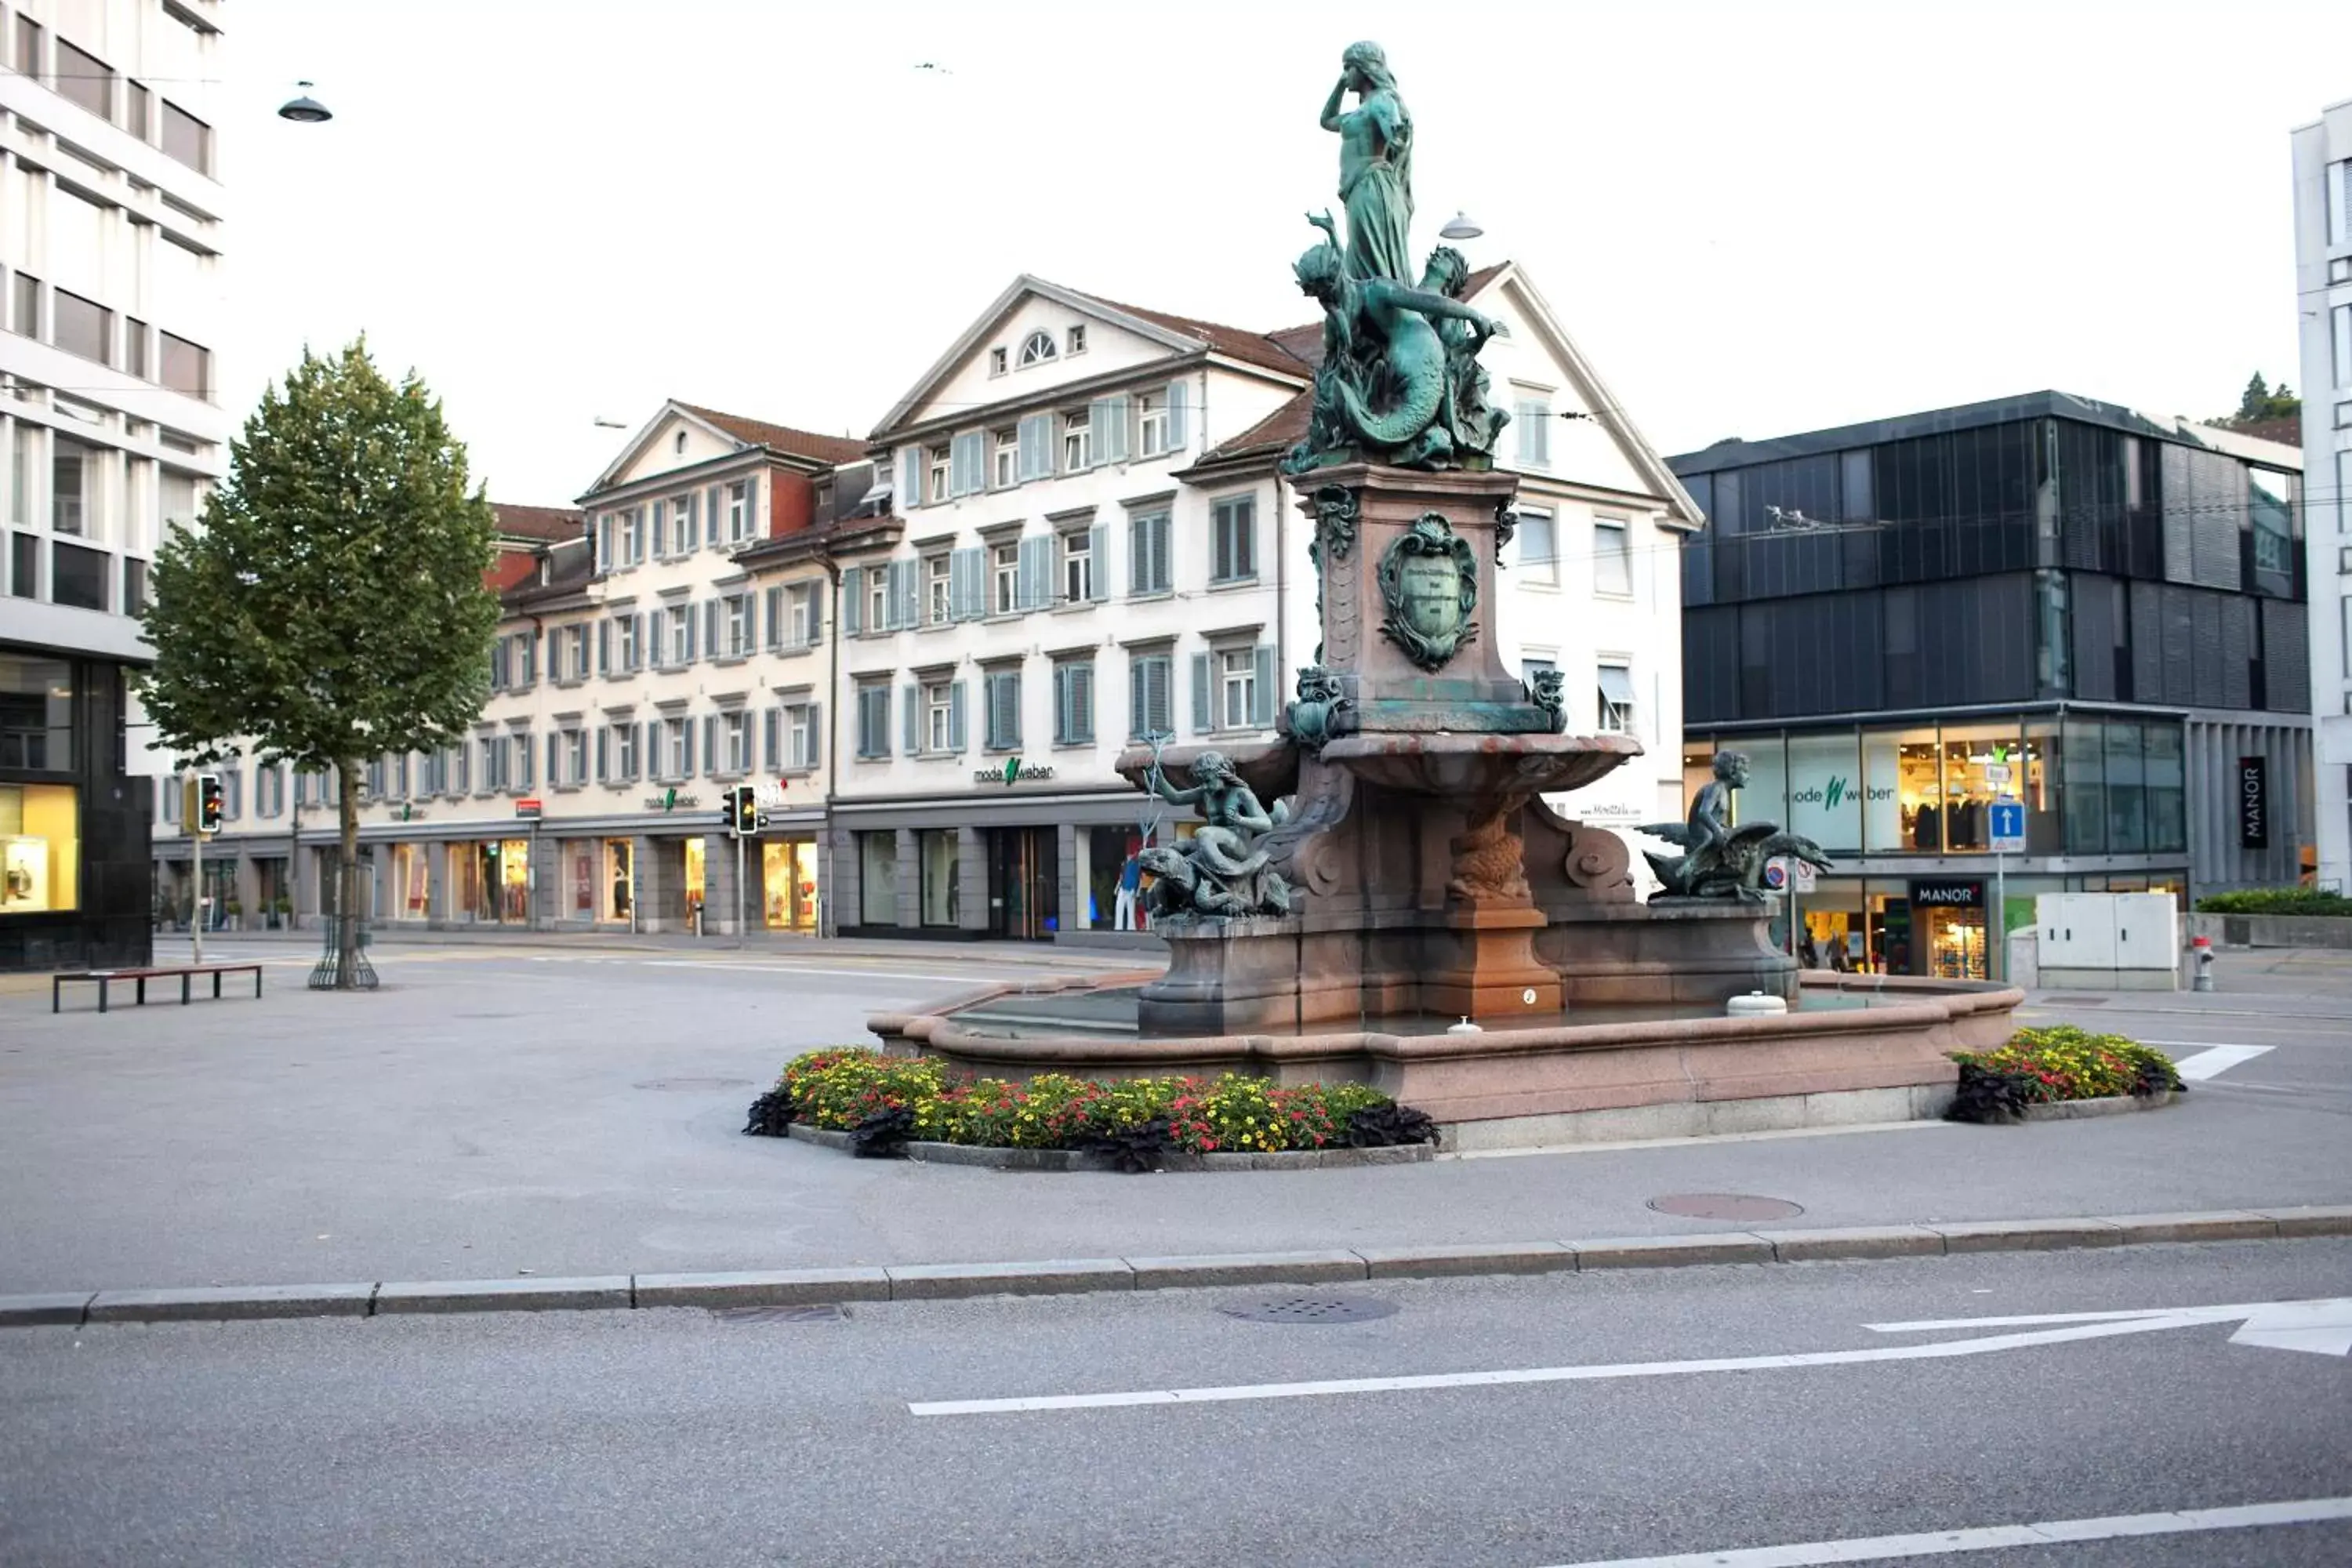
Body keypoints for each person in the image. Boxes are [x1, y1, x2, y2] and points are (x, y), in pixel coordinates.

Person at [1319, 42, 1413, 284]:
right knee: (1361, 256)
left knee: (1369, 255)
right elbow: (1327, 120)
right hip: (1357, 188)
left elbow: (1395, 135)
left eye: (1348, 68)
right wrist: (1340, 85)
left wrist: (1396, 131)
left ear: (1364, 69)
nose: (1345, 74)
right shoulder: (1360, 111)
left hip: (1372, 185)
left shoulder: (1382, 101)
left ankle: (1383, 306)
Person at [1114, 851, 1143, 931]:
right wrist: (1117, 888)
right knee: (1120, 908)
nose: (1129, 856)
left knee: (1130, 909)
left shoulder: (1136, 865)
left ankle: (1130, 928)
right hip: (1123, 889)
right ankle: (1119, 927)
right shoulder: (1125, 864)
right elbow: (1121, 877)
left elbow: (1138, 879)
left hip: (1130, 890)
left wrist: (1136, 891)